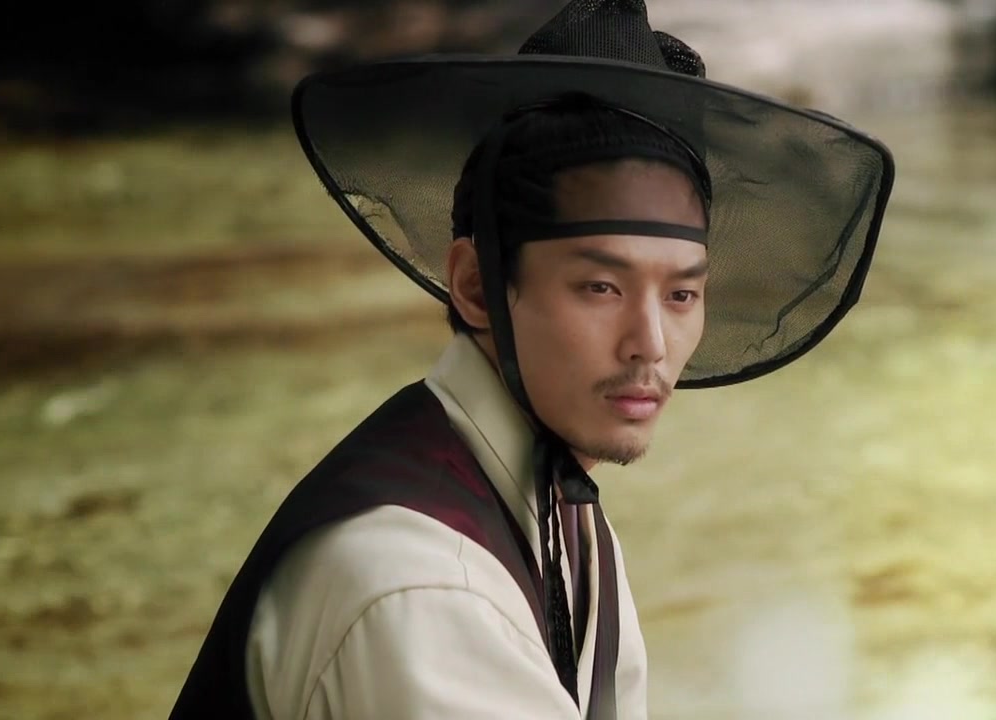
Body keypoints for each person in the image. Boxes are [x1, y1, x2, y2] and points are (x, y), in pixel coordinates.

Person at [169, 0, 894, 718]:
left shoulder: (551, 502)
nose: (650, 342)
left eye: (681, 295)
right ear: (476, 286)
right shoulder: (424, 588)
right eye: (601, 287)